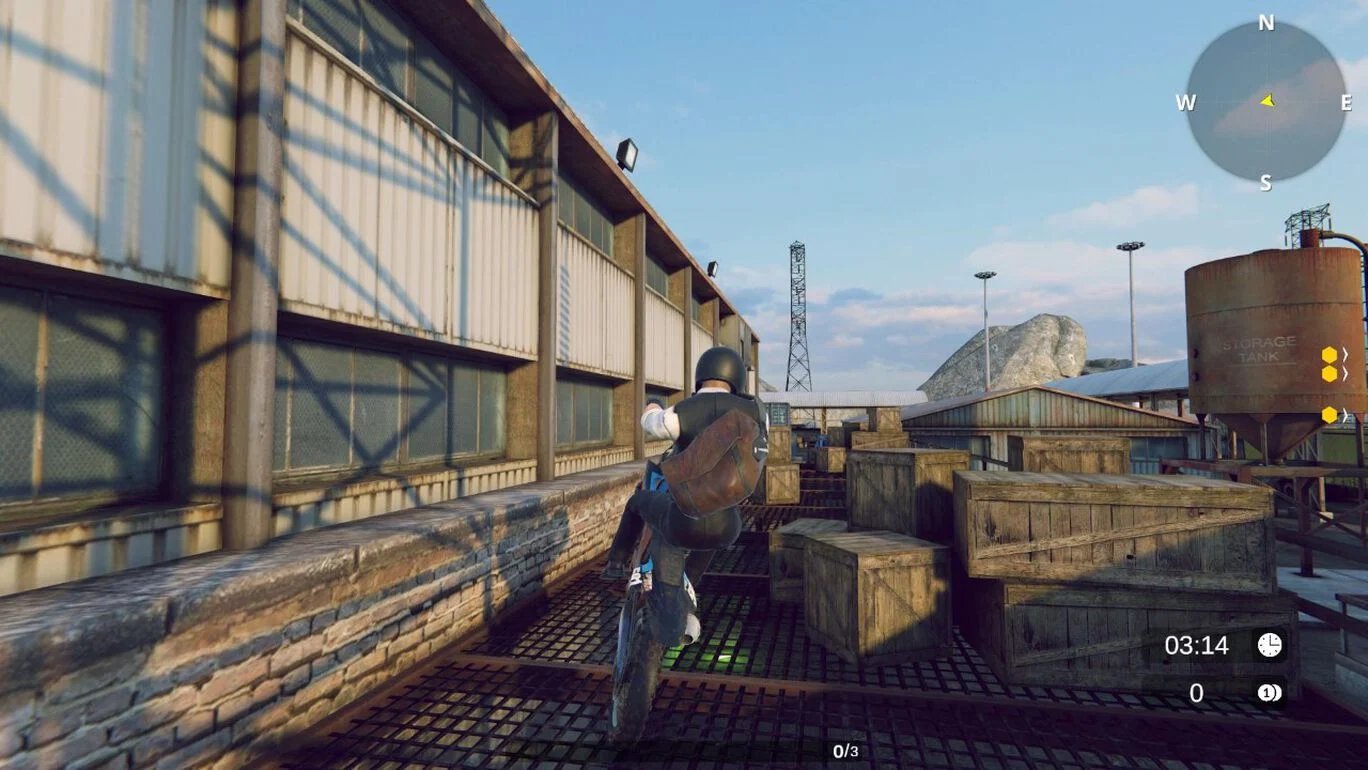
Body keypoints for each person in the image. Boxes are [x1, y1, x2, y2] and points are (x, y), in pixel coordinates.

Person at [602, 346, 768, 587]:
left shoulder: (680, 412)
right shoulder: (757, 413)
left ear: (700, 377)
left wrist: (653, 404)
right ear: (737, 378)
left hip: (682, 524)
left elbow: (649, 422)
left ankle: (615, 564)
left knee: (636, 502)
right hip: (728, 527)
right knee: (713, 520)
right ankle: (690, 582)